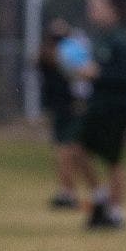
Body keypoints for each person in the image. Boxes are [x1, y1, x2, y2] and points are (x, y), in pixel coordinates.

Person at [70, 0, 126, 231]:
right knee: (77, 148)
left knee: (113, 159)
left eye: (96, 4)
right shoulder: (102, 40)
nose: (91, 9)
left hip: (115, 109)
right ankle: (100, 196)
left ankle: (116, 212)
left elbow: (125, 78)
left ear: (114, 10)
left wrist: (97, 74)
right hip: (97, 106)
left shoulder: (121, 42)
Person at [37, 19, 84, 209]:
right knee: (66, 149)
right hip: (66, 106)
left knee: (66, 148)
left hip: (64, 107)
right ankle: (67, 191)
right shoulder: (57, 55)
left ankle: (68, 191)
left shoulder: (50, 54)